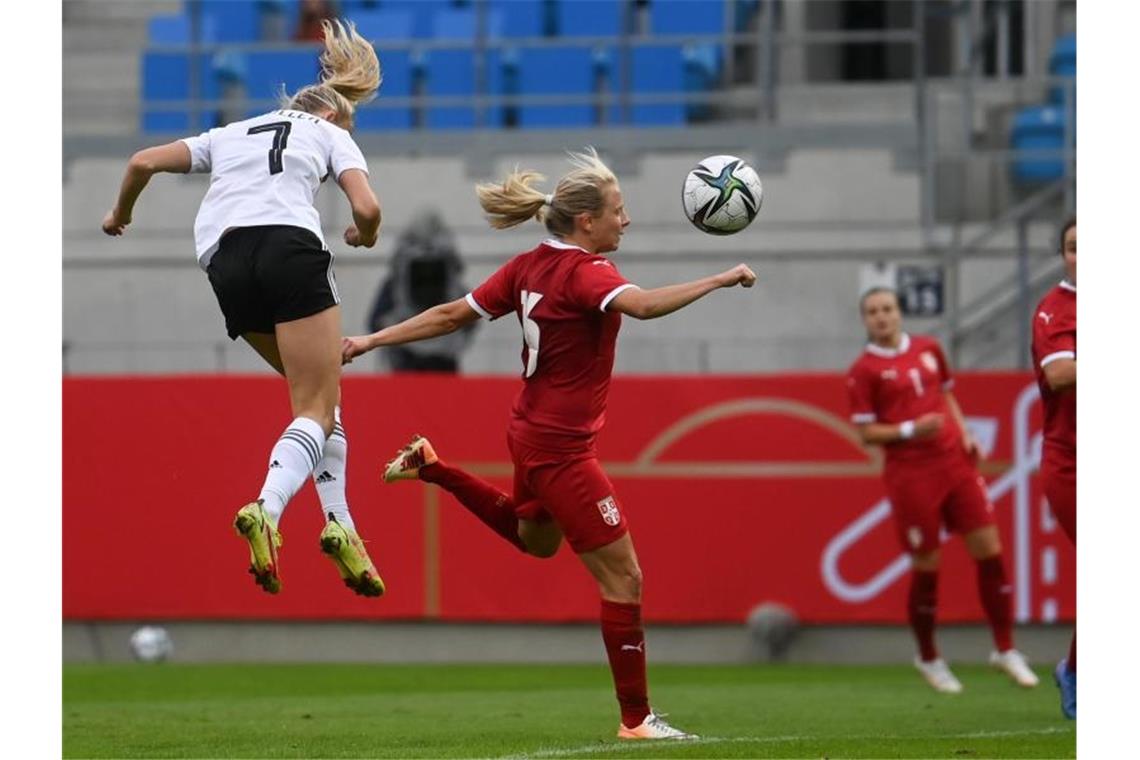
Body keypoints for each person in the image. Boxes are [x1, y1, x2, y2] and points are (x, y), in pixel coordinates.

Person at [342, 148, 756, 739]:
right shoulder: (588, 273)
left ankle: (433, 467)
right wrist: (719, 277)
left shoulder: (529, 265)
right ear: (586, 221)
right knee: (626, 580)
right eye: (619, 209)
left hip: (529, 432)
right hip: (561, 448)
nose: (626, 220)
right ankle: (637, 721)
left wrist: (370, 339)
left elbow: (451, 315)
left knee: (534, 541)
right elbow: (641, 307)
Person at [101, 19, 385, 598]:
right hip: (288, 247)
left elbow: (141, 162)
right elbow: (369, 207)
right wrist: (364, 235)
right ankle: (267, 508)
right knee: (314, 404)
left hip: (224, 261)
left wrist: (120, 215)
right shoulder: (331, 133)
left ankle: (341, 524)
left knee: (324, 400)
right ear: (332, 114)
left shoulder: (231, 131)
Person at [846, 288, 1039, 693]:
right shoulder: (863, 370)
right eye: (873, 312)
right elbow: (866, 432)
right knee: (927, 565)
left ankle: (1005, 648)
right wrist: (909, 430)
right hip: (912, 474)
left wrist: (965, 432)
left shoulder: (929, 348)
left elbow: (946, 393)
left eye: (888, 309)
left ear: (900, 313)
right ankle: (929, 657)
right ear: (865, 320)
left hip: (955, 463)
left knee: (990, 550)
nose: (882, 317)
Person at [1031, 218, 1076, 719]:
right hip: (1072, 463)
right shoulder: (1054, 310)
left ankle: (1074, 668)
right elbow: (1062, 374)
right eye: (1072, 247)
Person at [366, 209, 477, 372]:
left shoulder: (394, 282)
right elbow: (473, 315)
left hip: (405, 356)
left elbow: (374, 321)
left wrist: (392, 335)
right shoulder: (453, 278)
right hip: (445, 357)